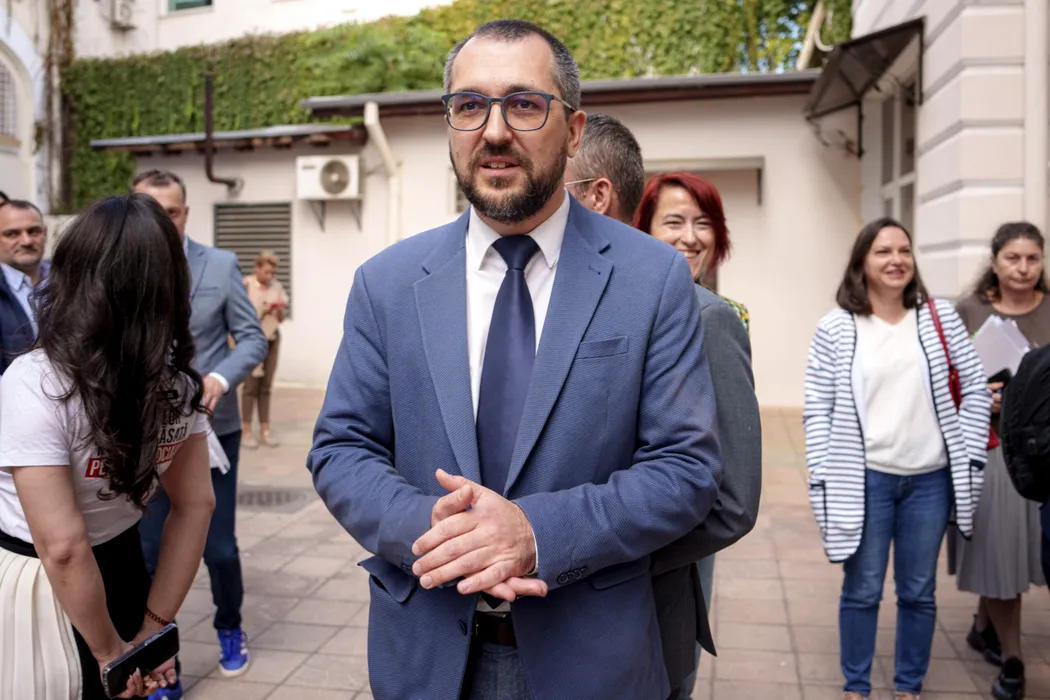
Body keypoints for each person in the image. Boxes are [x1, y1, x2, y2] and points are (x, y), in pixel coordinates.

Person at [308, 19, 722, 700]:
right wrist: (436, 533)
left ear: (575, 130)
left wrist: (536, 533)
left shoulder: (652, 279)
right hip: (428, 658)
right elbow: (341, 449)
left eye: (524, 104)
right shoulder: (386, 284)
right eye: (470, 105)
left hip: (592, 661)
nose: (494, 131)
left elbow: (686, 470)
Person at [566, 114, 761, 700]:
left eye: (703, 223)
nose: (690, 237)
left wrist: (593, 557)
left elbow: (731, 503)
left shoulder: (712, 318)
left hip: (649, 586)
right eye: (673, 221)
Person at [0, 194, 215, 699]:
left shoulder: (35, 380)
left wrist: (108, 654)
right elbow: (196, 506)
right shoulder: (178, 385)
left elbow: (63, 547)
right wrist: (153, 628)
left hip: (39, 583)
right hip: (121, 569)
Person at [803, 218, 992, 700]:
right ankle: (856, 687)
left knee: (918, 591)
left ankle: (909, 686)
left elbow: (975, 387)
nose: (896, 260)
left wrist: (969, 449)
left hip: (930, 481)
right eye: (883, 251)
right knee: (863, 589)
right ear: (861, 262)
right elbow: (818, 408)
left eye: (904, 250)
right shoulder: (837, 327)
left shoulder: (939, 318)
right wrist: (822, 469)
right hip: (865, 480)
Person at [132, 170, 267, 696]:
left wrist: (218, 379)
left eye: (172, 211)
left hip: (211, 430)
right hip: (143, 435)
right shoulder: (121, 267)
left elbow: (251, 339)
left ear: (186, 213)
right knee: (148, 555)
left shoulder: (220, 264)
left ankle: (230, 626)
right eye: (151, 210)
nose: (163, 221)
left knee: (220, 549)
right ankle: (161, 658)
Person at [950, 221, 1050, 700]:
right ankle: (1013, 660)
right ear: (994, 262)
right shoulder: (968, 311)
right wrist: (976, 395)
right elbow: (944, 379)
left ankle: (983, 626)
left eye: (1033, 258)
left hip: (1045, 453)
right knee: (1001, 553)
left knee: (1027, 551)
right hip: (990, 449)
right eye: (1013, 258)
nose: (1024, 268)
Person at [241, 250, 289, 449]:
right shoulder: (246, 285)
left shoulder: (276, 287)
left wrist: (277, 310)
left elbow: (281, 319)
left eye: (273, 272)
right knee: (250, 386)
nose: (270, 276)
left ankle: (265, 430)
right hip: (251, 339)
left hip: (271, 339)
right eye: (267, 272)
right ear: (257, 268)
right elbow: (238, 313)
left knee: (266, 386)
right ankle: (246, 432)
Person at [0, 195, 49, 374]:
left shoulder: (70, 279)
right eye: (12, 234)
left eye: (33, 231)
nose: (26, 241)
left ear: (45, 233)